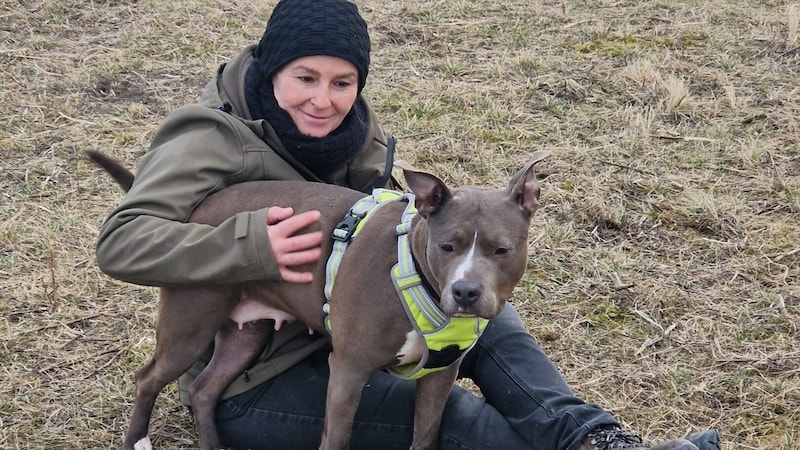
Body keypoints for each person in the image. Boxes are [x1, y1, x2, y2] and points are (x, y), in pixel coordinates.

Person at [94, 0, 721, 449]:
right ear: (270, 73)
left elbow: (384, 243)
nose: (324, 98)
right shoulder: (207, 136)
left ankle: (601, 440)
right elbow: (122, 242)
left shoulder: (357, 138)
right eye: (304, 78)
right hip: (273, 376)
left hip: (351, 316)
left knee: (487, 317)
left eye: (343, 82)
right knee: (456, 420)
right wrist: (251, 247)